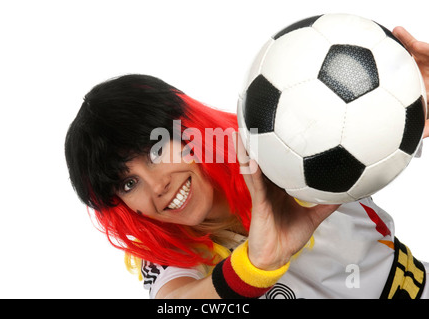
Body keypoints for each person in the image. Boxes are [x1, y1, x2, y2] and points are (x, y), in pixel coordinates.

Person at [65, 27, 429, 299]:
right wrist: (253, 266)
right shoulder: (169, 256)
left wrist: (404, 99)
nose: (157, 185)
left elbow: (371, 124)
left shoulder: (280, 140)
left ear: (188, 128)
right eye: (128, 184)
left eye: (156, 151)